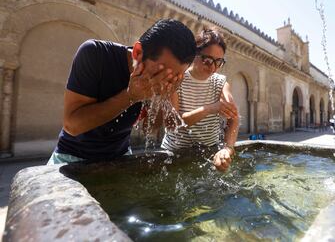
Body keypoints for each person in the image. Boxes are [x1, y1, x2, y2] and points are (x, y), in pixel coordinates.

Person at [47, 19, 197, 164]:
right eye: (161, 73)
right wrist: (130, 96)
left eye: (174, 77)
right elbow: (72, 126)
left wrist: (163, 97)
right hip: (72, 157)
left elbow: (148, 129)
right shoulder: (96, 54)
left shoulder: (160, 80)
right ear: (138, 52)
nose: (163, 80)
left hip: (121, 157)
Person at [161, 27, 239, 171]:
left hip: (209, 154)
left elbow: (234, 118)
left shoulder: (220, 82)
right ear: (194, 54)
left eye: (218, 62)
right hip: (174, 154)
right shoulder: (178, 78)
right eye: (207, 60)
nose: (213, 67)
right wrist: (210, 108)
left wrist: (228, 149)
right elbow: (173, 123)